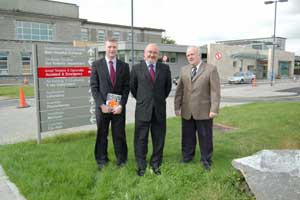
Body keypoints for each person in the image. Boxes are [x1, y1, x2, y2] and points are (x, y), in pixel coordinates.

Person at [174, 46, 220, 170]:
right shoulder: (184, 70)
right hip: (187, 111)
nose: (190, 57)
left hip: (204, 111)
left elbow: (215, 91)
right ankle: (187, 157)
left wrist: (214, 109)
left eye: (192, 54)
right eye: (188, 55)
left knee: (205, 137)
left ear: (199, 55)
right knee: (187, 137)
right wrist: (177, 107)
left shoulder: (211, 69)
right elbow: (179, 90)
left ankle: (206, 160)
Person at [130, 43, 172, 176]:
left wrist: (157, 100)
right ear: (144, 53)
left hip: (159, 109)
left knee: (159, 138)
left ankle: (156, 163)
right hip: (143, 109)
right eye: (149, 52)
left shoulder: (165, 69)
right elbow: (133, 88)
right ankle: (141, 165)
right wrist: (144, 100)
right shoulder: (136, 68)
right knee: (140, 138)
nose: (152, 55)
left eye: (154, 52)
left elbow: (167, 88)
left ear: (158, 55)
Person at [90, 38, 130, 170]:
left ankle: (122, 160)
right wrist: (101, 105)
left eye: (114, 47)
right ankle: (102, 160)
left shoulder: (124, 66)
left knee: (119, 134)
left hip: (118, 109)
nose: (112, 49)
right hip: (103, 108)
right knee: (102, 134)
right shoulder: (97, 65)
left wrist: (121, 105)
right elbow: (94, 87)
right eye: (109, 47)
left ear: (117, 49)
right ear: (105, 48)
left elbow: (126, 88)